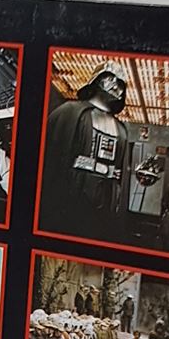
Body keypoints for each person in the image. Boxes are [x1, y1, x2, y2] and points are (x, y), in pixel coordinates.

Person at [40, 65, 131, 233]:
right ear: (96, 81)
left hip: (103, 204)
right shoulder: (70, 112)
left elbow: (120, 177)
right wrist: (99, 168)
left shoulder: (121, 130)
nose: (115, 85)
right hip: (70, 199)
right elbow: (52, 158)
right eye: (109, 78)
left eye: (120, 83)